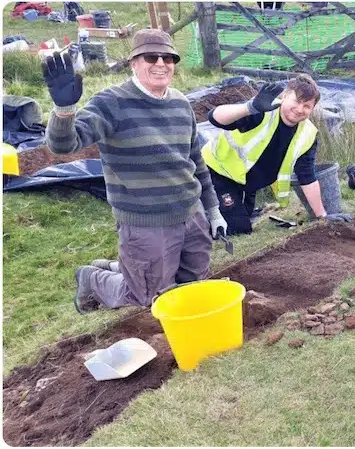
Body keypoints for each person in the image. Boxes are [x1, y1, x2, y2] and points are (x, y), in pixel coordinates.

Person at [42, 29, 226, 314]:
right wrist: (64, 109)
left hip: (192, 216)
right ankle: (92, 279)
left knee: (194, 286)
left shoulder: (180, 103)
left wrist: (212, 210)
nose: (161, 63)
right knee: (147, 298)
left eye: (168, 57)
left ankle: (122, 267)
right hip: (146, 221)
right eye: (151, 56)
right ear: (134, 63)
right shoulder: (111, 103)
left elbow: (196, 161)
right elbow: (64, 145)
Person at [201, 74, 352, 235]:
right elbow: (214, 117)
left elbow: (307, 177)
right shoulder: (263, 111)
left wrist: (322, 216)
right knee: (237, 229)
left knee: (244, 220)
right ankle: (199, 214)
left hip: (246, 182)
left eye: (307, 106)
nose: (300, 109)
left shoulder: (308, 134)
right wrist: (249, 107)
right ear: (285, 96)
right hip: (218, 171)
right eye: (297, 101)